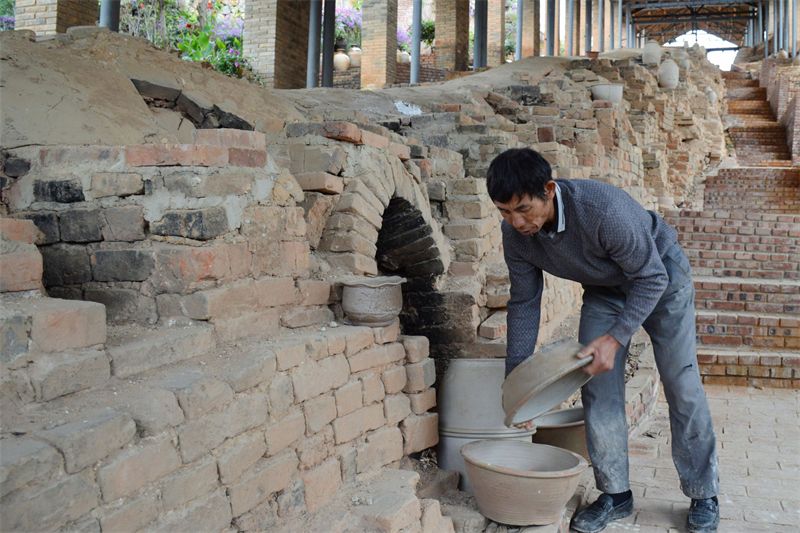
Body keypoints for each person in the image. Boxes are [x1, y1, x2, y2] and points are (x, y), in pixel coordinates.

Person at [486, 148, 720, 533]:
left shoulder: (602, 211)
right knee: (597, 386)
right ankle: (615, 494)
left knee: (681, 382)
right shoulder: (517, 235)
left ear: (548, 189)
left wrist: (615, 338)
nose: (516, 221)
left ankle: (703, 493)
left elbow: (651, 278)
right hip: (605, 290)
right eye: (504, 212)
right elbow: (525, 302)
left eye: (524, 209)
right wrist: (518, 383)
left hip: (661, 279)